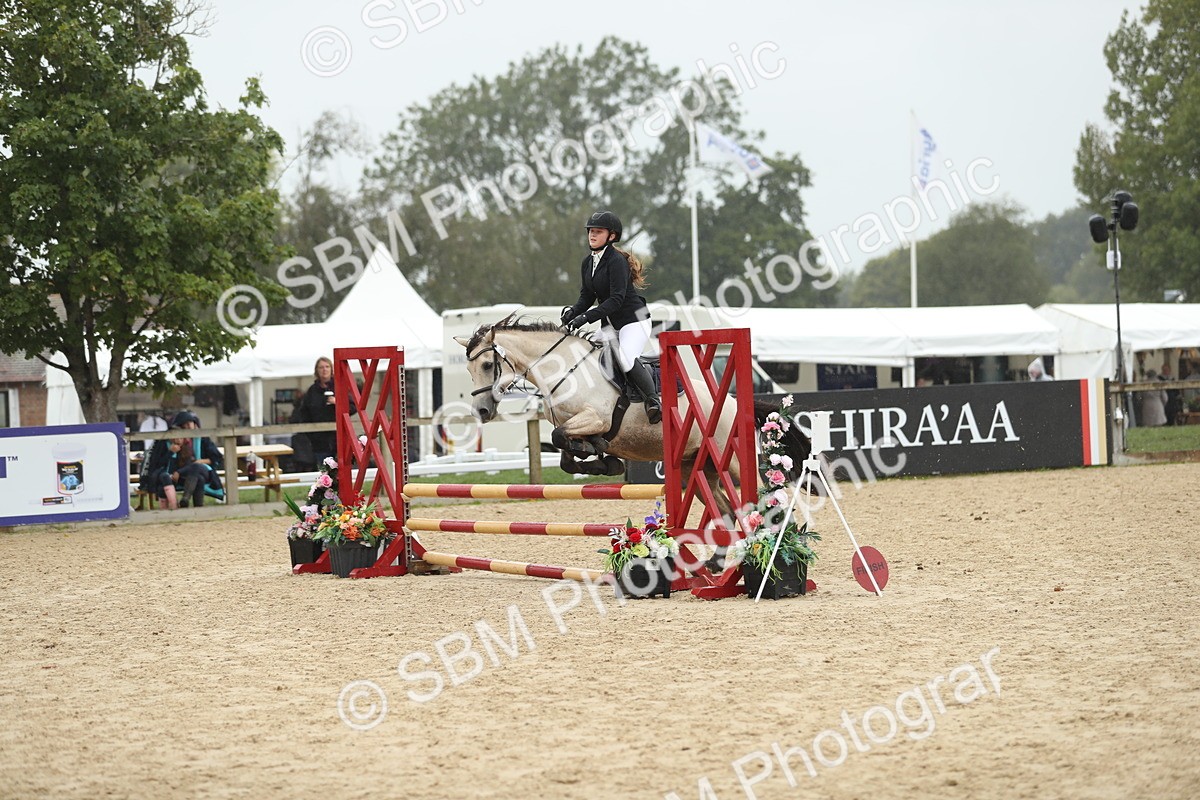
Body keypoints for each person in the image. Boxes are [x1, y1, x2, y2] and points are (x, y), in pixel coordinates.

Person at [560, 210, 661, 423]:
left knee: (625, 358)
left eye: (598, 232)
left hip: (634, 321)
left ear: (611, 236)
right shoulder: (588, 263)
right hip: (611, 325)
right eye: (590, 232)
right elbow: (586, 296)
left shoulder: (616, 262)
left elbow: (616, 300)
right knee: (583, 352)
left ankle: (653, 401)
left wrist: (585, 318)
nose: (592, 236)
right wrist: (572, 313)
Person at [138, 412, 224, 508]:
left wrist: (200, 461)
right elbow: (158, 462)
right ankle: (195, 508)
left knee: (196, 467)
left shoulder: (203, 439)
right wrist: (171, 452)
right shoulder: (170, 441)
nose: (189, 426)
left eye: (190, 423)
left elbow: (216, 458)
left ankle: (185, 499)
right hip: (181, 474)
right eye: (185, 424)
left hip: (202, 469)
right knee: (199, 479)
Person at [297, 356, 349, 466]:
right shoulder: (312, 391)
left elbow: (353, 407)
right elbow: (303, 413)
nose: (324, 370)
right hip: (319, 442)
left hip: (339, 439)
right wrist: (311, 434)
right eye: (321, 367)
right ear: (317, 370)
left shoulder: (340, 387)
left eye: (327, 367)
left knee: (342, 470)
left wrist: (338, 403)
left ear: (331, 369)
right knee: (324, 474)